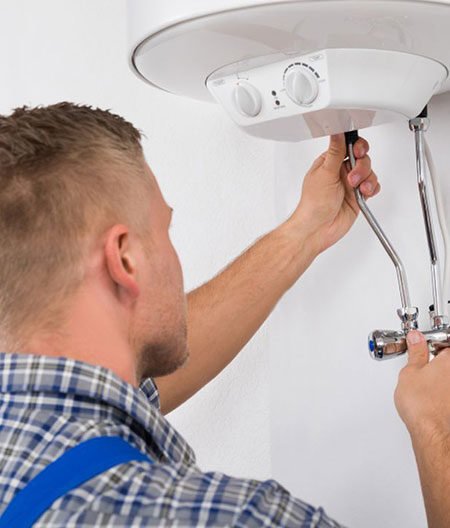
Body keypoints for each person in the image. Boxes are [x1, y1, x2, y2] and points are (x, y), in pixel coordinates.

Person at [0, 102, 438, 527]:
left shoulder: (30, 437)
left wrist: (306, 230)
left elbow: (127, 383)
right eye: (165, 229)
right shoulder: (238, 517)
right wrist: (436, 429)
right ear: (126, 260)